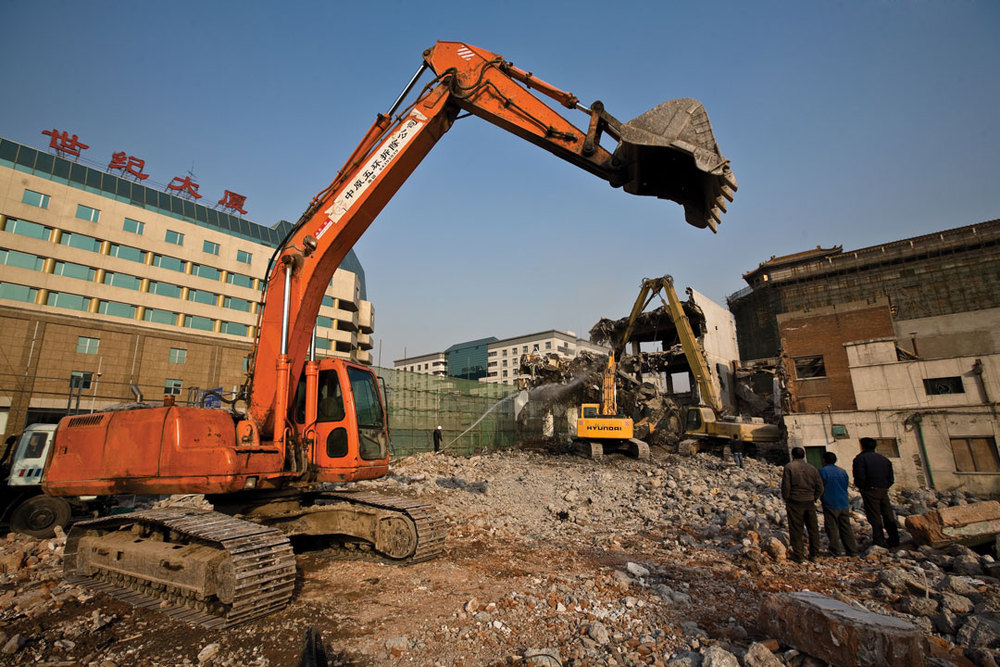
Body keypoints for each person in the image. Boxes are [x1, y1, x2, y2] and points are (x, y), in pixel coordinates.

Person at [852, 437, 899, 548]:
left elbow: (859, 476)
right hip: (883, 490)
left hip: (870, 490)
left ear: (862, 446)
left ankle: (879, 540)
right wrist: (885, 486)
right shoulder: (884, 459)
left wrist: (862, 487)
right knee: (888, 514)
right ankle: (894, 539)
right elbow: (891, 478)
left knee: (874, 516)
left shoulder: (860, 459)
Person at [781, 446, 824, 562]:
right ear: (804, 455)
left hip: (795, 501)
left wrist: (787, 498)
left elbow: (786, 486)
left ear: (792, 455)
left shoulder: (789, 467)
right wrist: (814, 497)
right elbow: (820, 486)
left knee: (796, 529)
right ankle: (814, 554)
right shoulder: (812, 468)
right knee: (813, 529)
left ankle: (799, 555)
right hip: (809, 501)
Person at [819, 452, 858, 556]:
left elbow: (820, 486)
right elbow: (845, 485)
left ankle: (835, 550)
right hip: (843, 502)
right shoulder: (842, 471)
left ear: (824, 460)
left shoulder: (822, 471)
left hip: (830, 502)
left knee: (832, 528)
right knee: (846, 527)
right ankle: (852, 550)